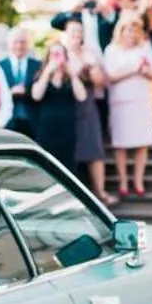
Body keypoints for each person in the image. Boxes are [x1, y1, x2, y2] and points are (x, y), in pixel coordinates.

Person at [103, 16, 152, 198]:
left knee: (142, 142)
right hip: (121, 102)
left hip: (141, 100)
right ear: (120, 31)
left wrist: (146, 71)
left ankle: (138, 180)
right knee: (120, 143)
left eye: (135, 30)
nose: (131, 33)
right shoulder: (112, 50)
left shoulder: (145, 48)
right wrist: (134, 69)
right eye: (128, 29)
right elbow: (110, 75)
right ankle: (122, 181)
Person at [63, 18, 109, 200]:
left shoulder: (89, 54)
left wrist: (89, 63)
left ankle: (100, 191)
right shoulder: (61, 53)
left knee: (95, 148)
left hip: (88, 106)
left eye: (79, 32)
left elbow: (100, 82)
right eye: (73, 31)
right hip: (66, 105)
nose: (76, 35)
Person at [29, 38, 88, 176]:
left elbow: (82, 96)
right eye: (54, 54)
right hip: (47, 128)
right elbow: (36, 96)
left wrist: (72, 75)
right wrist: (48, 72)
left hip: (67, 127)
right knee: (47, 164)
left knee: (68, 163)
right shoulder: (41, 76)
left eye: (60, 54)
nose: (57, 58)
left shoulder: (71, 77)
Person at [0, 29, 41, 137]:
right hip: (7, 121)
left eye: (23, 42)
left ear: (28, 45)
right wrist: (10, 92)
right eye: (15, 42)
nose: (19, 46)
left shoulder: (38, 66)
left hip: (32, 121)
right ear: (9, 44)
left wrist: (26, 91)